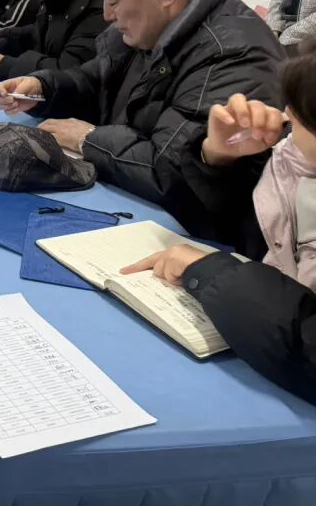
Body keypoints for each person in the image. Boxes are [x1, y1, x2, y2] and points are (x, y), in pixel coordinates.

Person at [0, 0, 285, 242]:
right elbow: (94, 80)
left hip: (195, 240)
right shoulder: (151, 25)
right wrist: (44, 87)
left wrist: (88, 139)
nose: (106, 14)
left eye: (113, 0)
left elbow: (174, 170)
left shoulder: (232, 54)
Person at [121, 47, 316, 403]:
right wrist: (218, 159)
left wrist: (211, 273)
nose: (287, 115)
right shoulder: (295, 159)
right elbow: (248, 234)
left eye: (304, 115)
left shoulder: (231, 48)